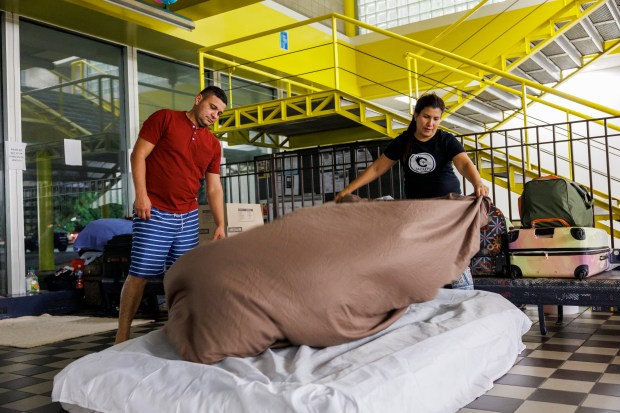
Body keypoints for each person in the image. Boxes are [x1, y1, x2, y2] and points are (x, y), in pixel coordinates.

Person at [335, 92, 489, 290]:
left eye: (436, 119)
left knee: (453, 253)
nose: (430, 123)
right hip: (418, 211)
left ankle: (463, 292)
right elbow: (377, 168)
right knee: (421, 253)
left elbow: (464, 164)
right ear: (415, 115)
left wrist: (477, 182)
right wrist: (347, 190)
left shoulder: (446, 140)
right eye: (426, 117)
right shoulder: (404, 141)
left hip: (447, 209)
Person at [115, 86, 228, 344]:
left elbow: (214, 187)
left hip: (188, 217)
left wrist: (221, 224)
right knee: (140, 274)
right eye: (212, 107)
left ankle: (177, 334)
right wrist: (141, 195)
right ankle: (121, 337)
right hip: (154, 211)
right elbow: (139, 155)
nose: (215, 115)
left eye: (219, 113)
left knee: (183, 278)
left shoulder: (212, 144)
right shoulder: (164, 118)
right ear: (198, 99)